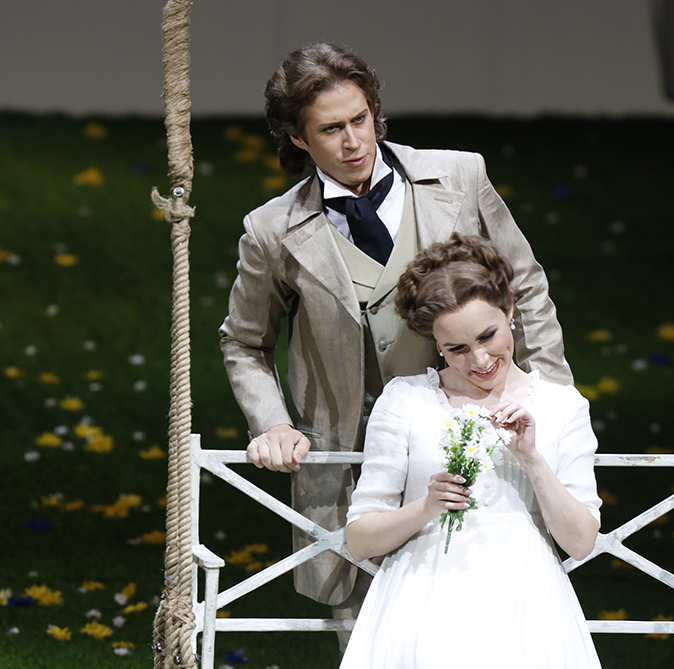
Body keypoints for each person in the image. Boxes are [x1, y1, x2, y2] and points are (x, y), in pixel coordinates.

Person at [219, 42, 573, 639]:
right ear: (299, 139)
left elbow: (525, 285)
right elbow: (244, 341)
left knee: (494, 615)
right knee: (365, 629)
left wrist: (551, 395)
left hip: (471, 432)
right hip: (349, 457)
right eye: (331, 130)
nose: (354, 141)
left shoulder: (459, 178)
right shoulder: (272, 229)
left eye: (360, 120)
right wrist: (271, 423)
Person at [341, 234, 602, 668]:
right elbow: (359, 539)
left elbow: (580, 542)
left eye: (488, 336)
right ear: (435, 344)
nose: (480, 360)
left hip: (527, 608)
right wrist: (427, 506)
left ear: (511, 309)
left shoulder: (562, 406)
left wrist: (533, 459)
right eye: (457, 349)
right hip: (422, 601)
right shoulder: (405, 400)